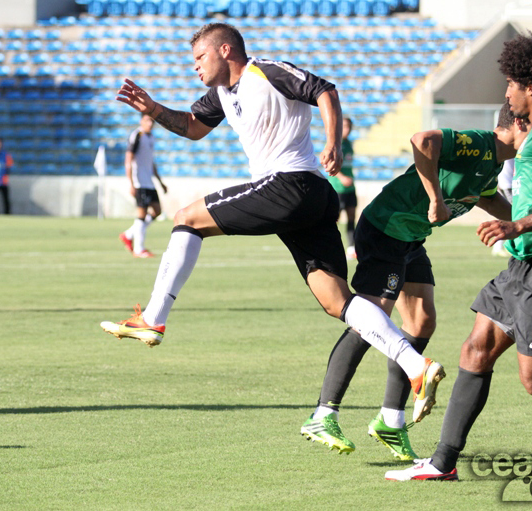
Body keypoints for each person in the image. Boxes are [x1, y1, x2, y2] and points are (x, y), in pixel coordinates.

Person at [100, 22, 445, 427]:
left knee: (185, 218)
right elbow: (193, 128)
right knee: (338, 302)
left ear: (225, 50)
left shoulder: (266, 71)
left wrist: (333, 142)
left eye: (199, 57)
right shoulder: (222, 95)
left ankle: (154, 317)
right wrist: (154, 110)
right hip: (308, 199)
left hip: (291, 184)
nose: (194, 66)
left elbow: (325, 91)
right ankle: (415, 365)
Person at [386, 33, 532, 482]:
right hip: (521, 269)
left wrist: (522, 226)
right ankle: (442, 463)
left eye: (511, 82)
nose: (506, 91)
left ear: (531, 86)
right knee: (475, 350)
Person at [302, 104, 529, 457]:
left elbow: (488, 200)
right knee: (371, 319)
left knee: (422, 321)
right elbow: (422, 140)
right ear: (518, 123)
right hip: (386, 229)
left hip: (411, 237)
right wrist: (436, 198)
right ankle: (323, 413)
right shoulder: (481, 144)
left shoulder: (493, 165)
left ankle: (390, 422)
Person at [118, 113, 167, 258]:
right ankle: (139, 249)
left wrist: (160, 182)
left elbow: (151, 162)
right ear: (141, 121)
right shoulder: (137, 136)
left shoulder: (151, 138)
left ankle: (129, 234)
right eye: (147, 120)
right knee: (141, 215)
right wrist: (131, 183)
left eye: (152, 121)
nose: (150, 123)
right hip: (139, 182)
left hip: (149, 182)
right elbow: (128, 160)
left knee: (157, 211)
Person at [327, 117, 357, 260]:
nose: (347, 129)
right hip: (337, 188)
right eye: (344, 126)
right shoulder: (334, 144)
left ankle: (351, 247)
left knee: (352, 217)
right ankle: (330, 248)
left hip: (350, 189)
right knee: (334, 219)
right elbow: (328, 164)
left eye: (349, 126)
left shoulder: (349, 144)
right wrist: (342, 177)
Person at [491, 157, 515, 257]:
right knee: (513, 215)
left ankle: (498, 246)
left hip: (509, 184)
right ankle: (500, 246)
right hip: (507, 184)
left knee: (508, 214)